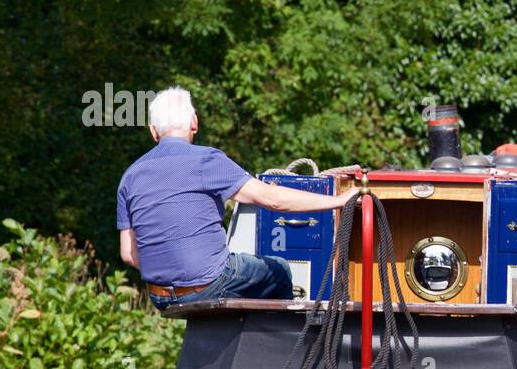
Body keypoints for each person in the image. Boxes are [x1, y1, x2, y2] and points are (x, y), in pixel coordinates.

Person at [117, 86, 354, 311]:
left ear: (152, 130)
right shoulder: (207, 160)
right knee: (279, 270)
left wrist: (173, 277)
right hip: (207, 285)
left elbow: (128, 254)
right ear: (194, 123)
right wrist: (339, 201)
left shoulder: (130, 176)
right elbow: (271, 199)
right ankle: (280, 348)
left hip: (159, 295)